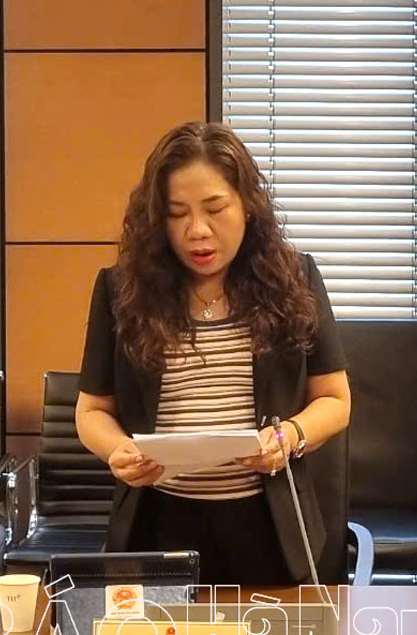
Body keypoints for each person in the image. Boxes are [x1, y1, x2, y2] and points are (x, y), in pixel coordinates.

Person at [75, 121, 352, 585]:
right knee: (162, 634)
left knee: (269, 634)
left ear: (247, 206)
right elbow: (91, 411)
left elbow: (335, 400)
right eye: (176, 213)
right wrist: (116, 451)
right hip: (157, 522)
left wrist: (288, 437)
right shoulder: (121, 290)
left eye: (215, 209)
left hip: (268, 525)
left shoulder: (294, 279)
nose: (197, 231)